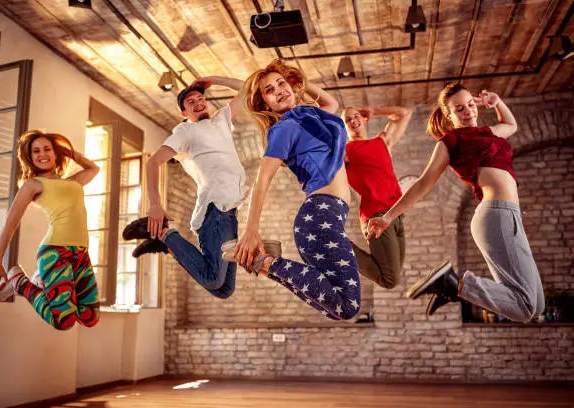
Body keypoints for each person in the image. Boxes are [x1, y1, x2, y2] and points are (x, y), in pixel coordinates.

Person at [367, 84, 545, 322]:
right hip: (495, 216)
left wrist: (497, 101)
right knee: (524, 308)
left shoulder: (487, 132)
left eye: (471, 104)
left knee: (537, 305)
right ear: (448, 115)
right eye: (459, 109)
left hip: (511, 216)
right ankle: (452, 284)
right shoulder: (450, 142)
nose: (469, 111)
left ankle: (453, 287)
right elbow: (423, 183)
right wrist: (388, 216)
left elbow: (511, 125)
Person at [122, 77, 280, 299]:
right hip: (214, 212)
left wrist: (212, 80)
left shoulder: (221, 120)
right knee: (213, 279)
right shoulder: (185, 133)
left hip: (229, 214)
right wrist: (155, 205)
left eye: (200, 98)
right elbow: (152, 162)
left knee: (224, 290)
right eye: (190, 102)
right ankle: (165, 235)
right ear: (184, 113)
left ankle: (168, 245)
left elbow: (249, 87)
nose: (198, 102)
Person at [227, 59, 361, 320]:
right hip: (319, 216)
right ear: (265, 104)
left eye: (281, 83)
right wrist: (251, 229)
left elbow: (332, 103)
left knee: (334, 307)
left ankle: (265, 264)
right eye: (269, 90)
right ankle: (264, 262)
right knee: (347, 306)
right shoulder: (283, 129)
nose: (279, 90)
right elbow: (262, 178)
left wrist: (299, 80)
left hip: (331, 215)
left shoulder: (312, 117)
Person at [0, 129, 101, 330]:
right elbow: (10, 224)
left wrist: (70, 152)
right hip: (55, 252)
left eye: (47, 149)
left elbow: (93, 168)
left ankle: (36, 279)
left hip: (81, 253)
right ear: (30, 158)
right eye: (36, 151)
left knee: (90, 318)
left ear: (56, 153)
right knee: (63, 322)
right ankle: (19, 281)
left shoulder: (72, 183)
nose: (42, 154)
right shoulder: (32, 185)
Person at [343, 105, 412, 291]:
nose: (353, 120)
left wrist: (374, 110)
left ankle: (342, 247)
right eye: (347, 119)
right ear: (344, 127)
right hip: (375, 214)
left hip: (396, 214)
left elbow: (404, 113)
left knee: (393, 273)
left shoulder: (382, 141)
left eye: (356, 116)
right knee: (390, 280)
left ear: (364, 119)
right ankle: (340, 246)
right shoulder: (346, 151)